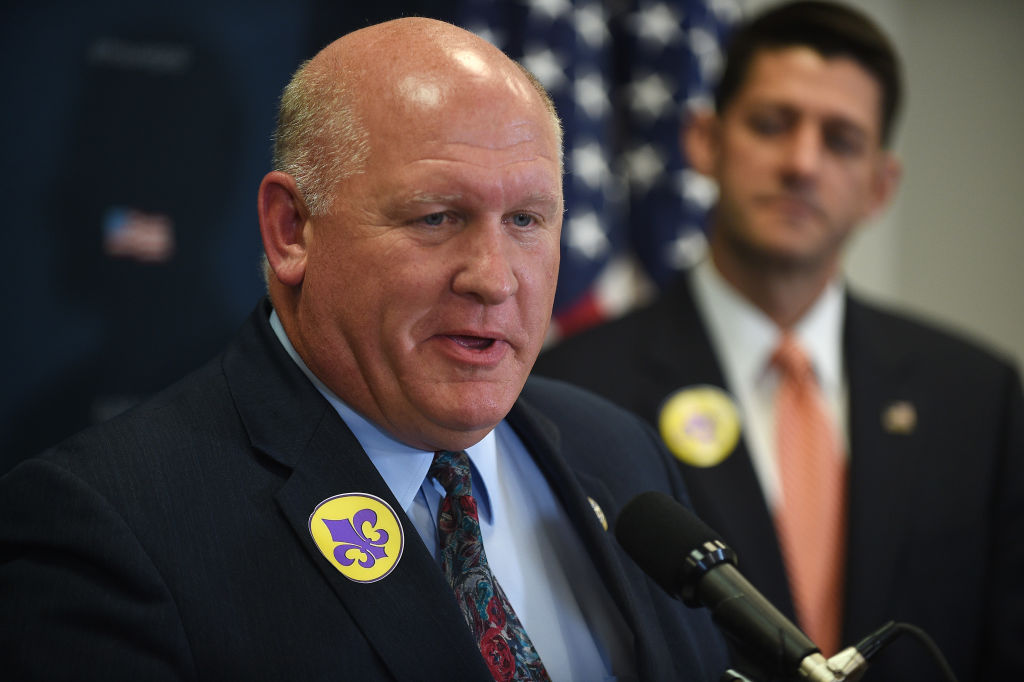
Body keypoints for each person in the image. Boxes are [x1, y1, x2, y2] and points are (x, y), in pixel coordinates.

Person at [0, 17, 730, 682]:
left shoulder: (622, 453)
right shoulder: (109, 529)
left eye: (526, 220)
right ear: (291, 230)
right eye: (437, 217)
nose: (495, 278)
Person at [534, 2, 1024, 681]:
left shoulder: (975, 398)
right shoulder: (575, 388)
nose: (801, 162)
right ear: (704, 141)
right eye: (771, 124)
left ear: (880, 186)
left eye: (841, 140)